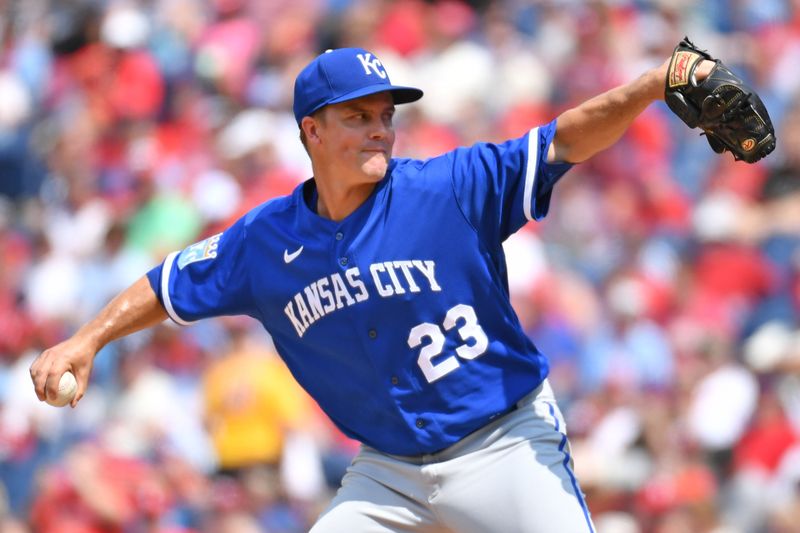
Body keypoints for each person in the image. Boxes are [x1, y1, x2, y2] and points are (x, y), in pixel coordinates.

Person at [31, 46, 718, 532]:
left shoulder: (446, 189)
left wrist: (654, 84)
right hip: (388, 472)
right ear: (312, 130)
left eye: (385, 114)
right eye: (358, 116)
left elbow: (562, 140)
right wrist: (87, 338)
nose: (380, 128)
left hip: (502, 441)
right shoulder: (264, 241)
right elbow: (169, 282)